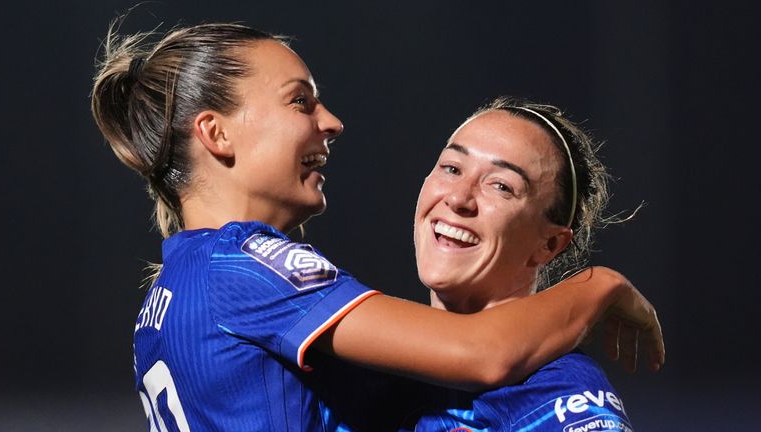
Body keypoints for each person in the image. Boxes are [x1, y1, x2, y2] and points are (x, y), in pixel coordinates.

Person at [90, 21, 663, 431]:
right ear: (216, 134)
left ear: (551, 242)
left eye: (501, 184)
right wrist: (601, 284)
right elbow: (481, 355)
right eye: (300, 102)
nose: (331, 123)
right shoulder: (245, 266)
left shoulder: (170, 294)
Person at [404, 97, 643, 430]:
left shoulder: (557, 389)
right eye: (452, 168)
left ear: (548, 245)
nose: (458, 198)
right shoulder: (366, 368)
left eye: (501, 186)